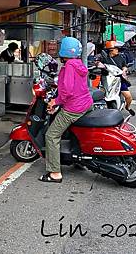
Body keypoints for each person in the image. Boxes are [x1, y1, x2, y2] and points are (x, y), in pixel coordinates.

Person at [39, 37, 93, 184]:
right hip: (86, 104)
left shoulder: (69, 66)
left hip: (73, 108)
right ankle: (78, 160)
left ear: (63, 50)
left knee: (51, 135)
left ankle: (55, 172)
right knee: (74, 130)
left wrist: (55, 102)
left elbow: (68, 90)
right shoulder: (78, 63)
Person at [101, 40, 135, 115]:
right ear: (110, 50)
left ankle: (128, 107)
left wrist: (124, 70)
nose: (117, 50)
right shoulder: (104, 59)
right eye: (116, 49)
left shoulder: (120, 57)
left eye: (117, 49)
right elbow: (101, 68)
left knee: (128, 97)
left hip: (119, 80)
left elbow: (125, 66)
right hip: (108, 81)